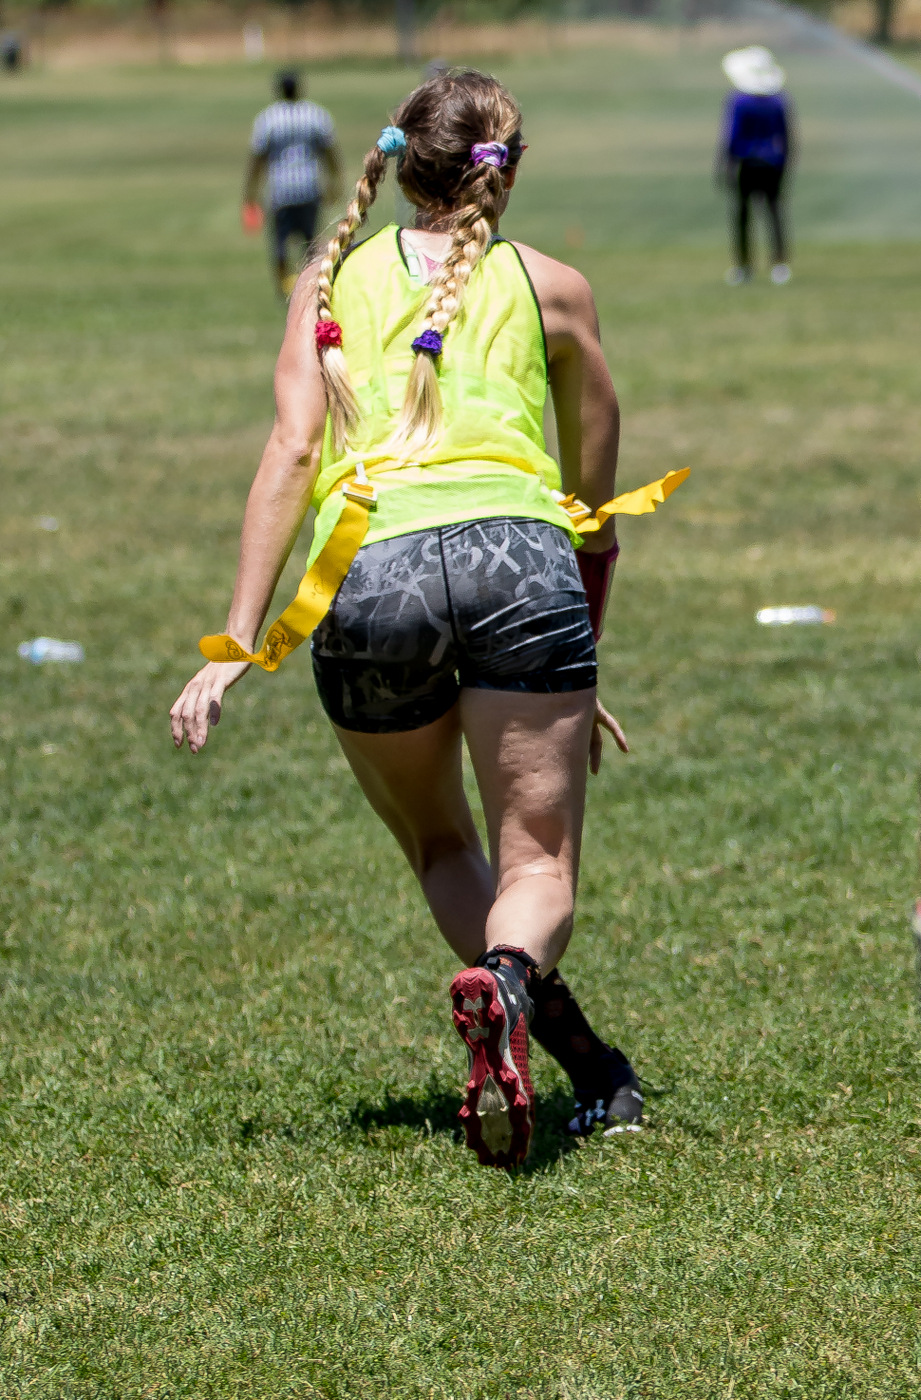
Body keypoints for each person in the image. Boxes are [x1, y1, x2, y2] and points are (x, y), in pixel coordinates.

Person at [172, 69, 687, 1169]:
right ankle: (509, 987)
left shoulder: (324, 281)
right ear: (510, 169)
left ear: (400, 163)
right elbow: (594, 514)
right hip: (522, 568)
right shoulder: (557, 287)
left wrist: (236, 643)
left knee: (443, 842)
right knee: (536, 864)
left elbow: (291, 453)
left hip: (367, 574)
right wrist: (579, 658)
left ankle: (579, 1055)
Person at [243, 70, 344, 299]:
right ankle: (311, 286)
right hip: (309, 188)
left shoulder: (268, 118)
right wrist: (335, 181)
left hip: (280, 191)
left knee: (280, 244)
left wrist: (251, 191)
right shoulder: (316, 114)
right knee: (310, 243)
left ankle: (283, 289)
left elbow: (257, 158)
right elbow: (330, 152)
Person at [718, 46, 794, 286]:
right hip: (773, 161)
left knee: (743, 215)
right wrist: (785, 162)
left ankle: (743, 266)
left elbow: (732, 136)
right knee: (774, 212)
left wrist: (725, 164)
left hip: (747, 163)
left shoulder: (738, 101)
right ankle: (779, 264)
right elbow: (786, 136)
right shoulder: (779, 100)